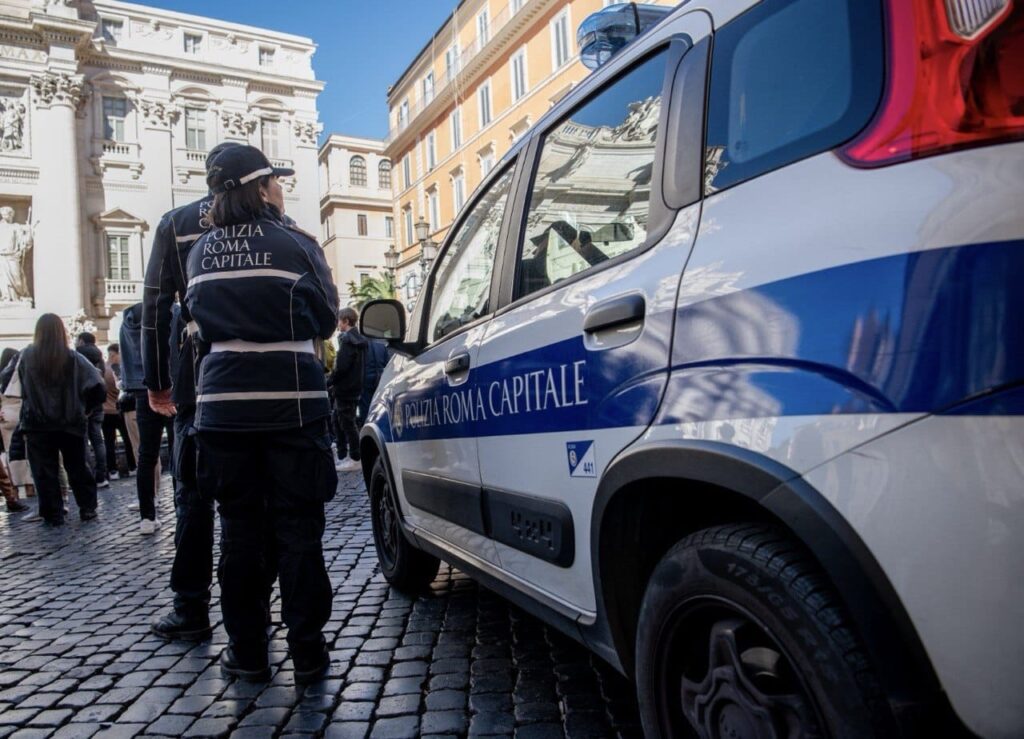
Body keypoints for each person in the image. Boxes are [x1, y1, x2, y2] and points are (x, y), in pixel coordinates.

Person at [185, 144, 338, 683]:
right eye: (276, 180)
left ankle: (247, 651)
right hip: (292, 402)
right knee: (299, 531)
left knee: (240, 533)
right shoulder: (295, 243)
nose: (281, 188)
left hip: (222, 410)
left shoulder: (199, 252)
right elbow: (326, 317)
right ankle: (308, 652)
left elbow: (196, 321)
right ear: (261, 187)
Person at [142, 141, 240, 641]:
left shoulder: (176, 223)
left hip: (196, 371)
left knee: (192, 496)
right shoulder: (263, 218)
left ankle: (191, 606)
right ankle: (249, 611)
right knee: (246, 496)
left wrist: (157, 381)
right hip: (249, 370)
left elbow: (155, 308)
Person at [19, 314, 105, 526]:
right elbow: (98, 385)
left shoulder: (27, 356)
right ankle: (87, 508)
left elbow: (14, 384)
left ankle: (53, 513)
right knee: (77, 466)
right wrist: (86, 409)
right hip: (70, 421)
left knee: (44, 471)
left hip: (37, 423)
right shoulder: (74, 358)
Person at [122, 302, 174, 535]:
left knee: (146, 455)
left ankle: (147, 516)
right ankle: (182, 505)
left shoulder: (127, 321)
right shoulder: (171, 311)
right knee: (177, 448)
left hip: (141, 390)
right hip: (170, 387)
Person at [330, 307, 366, 472]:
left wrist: (330, 380)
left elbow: (342, 367)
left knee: (347, 423)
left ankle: (355, 457)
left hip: (344, 388)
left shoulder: (347, 340)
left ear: (346, 321)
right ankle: (344, 455)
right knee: (339, 420)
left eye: (339, 320)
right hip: (353, 387)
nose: (338, 324)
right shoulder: (360, 340)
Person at [0, 349, 35, 507]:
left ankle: (13, 491)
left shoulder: (2, 377)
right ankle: (29, 488)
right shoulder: (19, 373)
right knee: (26, 453)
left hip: (5, 416)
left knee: (10, 454)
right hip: (20, 413)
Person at [74, 332, 108, 488]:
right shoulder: (100, 356)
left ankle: (90, 476)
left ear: (81, 340)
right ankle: (102, 475)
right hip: (98, 403)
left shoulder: (77, 355)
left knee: (84, 442)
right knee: (98, 440)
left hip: (83, 404)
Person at [101, 343, 135, 480]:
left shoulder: (102, 370)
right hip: (119, 410)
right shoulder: (119, 370)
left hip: (105, 411)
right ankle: (132, 467)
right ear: (116, 354)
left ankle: (112, 471)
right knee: (128, 440)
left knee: (109, 442)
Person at [358, 336, 390, 423]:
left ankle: (367, 425)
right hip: (380, 380)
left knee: (366, 409)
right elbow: (387, 364)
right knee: (379, 406)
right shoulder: (382, 344)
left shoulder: (361, 344)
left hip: (365, 381)